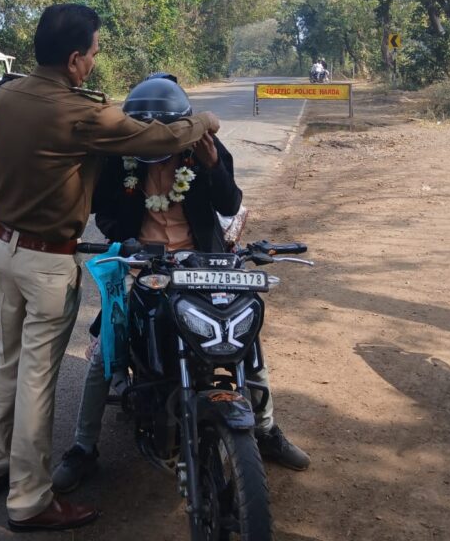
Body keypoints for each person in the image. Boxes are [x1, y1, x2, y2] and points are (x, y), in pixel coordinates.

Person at [0, 4, 221, 533]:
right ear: (73, 60)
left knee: (8, 360)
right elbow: (160, 140)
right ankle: (29, 499)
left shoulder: (8, 95)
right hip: (46, 259)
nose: (93, 62)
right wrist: (203, 121)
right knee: (38, 377)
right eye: (92, 54)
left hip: (3, 248)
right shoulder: (80, 112)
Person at [51, 74, 310, 494]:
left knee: (245, 340)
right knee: (105, 350)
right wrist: (127, 241)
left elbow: (230, 203)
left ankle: (266, 429)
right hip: (145, 268)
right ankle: (83, 448)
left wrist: (213, 165)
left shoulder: (205, 148)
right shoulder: (121, 159)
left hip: (204, 263)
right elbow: (104, 213)